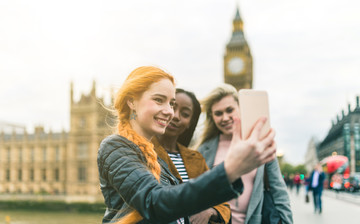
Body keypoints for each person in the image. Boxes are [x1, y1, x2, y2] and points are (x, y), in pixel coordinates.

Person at [97, 66, 277, 224]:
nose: (169, 112)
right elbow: (155, 203)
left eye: (171, 103)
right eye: (159, 100)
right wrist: (230, 169)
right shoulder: (115, 148)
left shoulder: (156, 157)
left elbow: (179, 208)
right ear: (131, 101)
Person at [197, 84, 293, 224]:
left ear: (240, 108)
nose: (225, 118)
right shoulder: (203, 150)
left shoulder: (260, 143)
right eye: (218, 113)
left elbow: (279, 191)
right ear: (212, 117)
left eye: (230, 110)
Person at [153, 88, 231, 224]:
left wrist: (210, 211)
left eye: (185, 114)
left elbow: (222, 203)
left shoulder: (196, 159)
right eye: (172, 107)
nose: (176, 116)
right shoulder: (142, 150)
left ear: (190, 122)